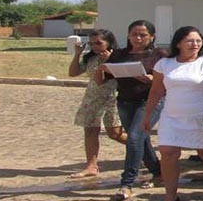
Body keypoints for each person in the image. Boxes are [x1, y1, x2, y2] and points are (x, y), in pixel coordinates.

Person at [142, 26, 203, 201]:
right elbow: (156, 91)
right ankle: (171, 195)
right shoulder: (164, 64)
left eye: (198, 40)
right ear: (179, 43)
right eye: (190, 40)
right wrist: (147, 115)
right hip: (172, 117)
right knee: (168, 153)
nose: (195, 44)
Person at [96, 20, 166, 200]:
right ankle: (158, 172)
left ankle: (127, 183)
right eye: (134, 34)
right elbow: (101, 80)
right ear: (128, 35)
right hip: (125, 102)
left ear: (152, 36)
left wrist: (152, 79)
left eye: (143, 34)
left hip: (150, 101)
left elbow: (167, 80)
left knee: (134, 137)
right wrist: (102, 65)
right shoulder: (119, 54)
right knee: (141, 140)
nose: (138, 38)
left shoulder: (159, 55)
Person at [68, 29, 127, 178]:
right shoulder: (91, 58)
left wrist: (107, 61)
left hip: (111, 98)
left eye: (98, 43)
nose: (95, 46)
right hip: (92, 98)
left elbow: (112, 79)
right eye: (92, 43)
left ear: (108, 42)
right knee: (90, 131)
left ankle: (142, 150)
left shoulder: (118, 57)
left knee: (115, 133)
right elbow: (73, 72)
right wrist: (77, 54)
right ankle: (91, 165)